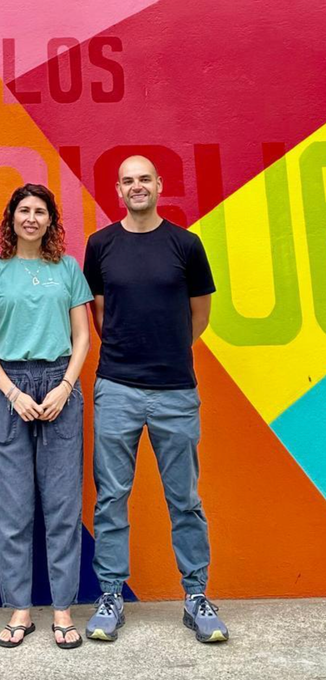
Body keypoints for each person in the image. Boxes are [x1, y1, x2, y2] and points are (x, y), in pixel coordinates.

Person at [83, 155, 229, 644]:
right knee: (111, 499)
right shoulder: (100, 245)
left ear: (159, 185)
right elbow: (101, 315)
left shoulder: (186, 245)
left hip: (175, 392)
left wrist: (166, 352)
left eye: (144, 178)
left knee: (184, 499)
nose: (136, 186)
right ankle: (109, 596)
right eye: (127, 180)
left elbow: (199, 315)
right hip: (117, 388)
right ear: (118, 190)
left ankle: (196, 596)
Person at [0, 184, 92, 649]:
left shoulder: (67, 269)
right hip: (8, 387)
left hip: (60, 381)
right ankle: (21, 609)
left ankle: (62, 609)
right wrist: (11, 393)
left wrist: (65, 387)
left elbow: (82, 336)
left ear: (51, 221)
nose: (31, 218)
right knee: (12, 506)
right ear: (11, 219)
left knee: (62, 504)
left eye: (40, 211)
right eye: (24, 210)